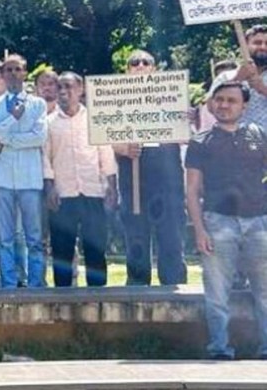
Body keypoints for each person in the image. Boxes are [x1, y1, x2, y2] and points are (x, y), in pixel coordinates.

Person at [185, 81, 267, 360]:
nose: (224, 105)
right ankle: (220, 348)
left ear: (244, 106)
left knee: (265, 292)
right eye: (219, 100)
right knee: (217, 294)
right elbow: (193, 191)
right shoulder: (200, 141)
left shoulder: (260, 135)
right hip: (217, 222)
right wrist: (199, 230)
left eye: (231, 100)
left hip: (259, 222)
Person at [111, 50, 187, 286]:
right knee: (136, 236)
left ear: (154, 69)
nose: (140, 65)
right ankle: (136, 286)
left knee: (171, 236)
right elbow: (105, 134)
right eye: (134, 62)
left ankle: (174, 285)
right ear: (127, 69)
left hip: (167, 177)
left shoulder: (172, 94)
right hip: (132, 177)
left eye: (146, 62)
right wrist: (123, 148)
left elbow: (185, 136)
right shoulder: (114, 99)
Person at [43, 72, 117, 287]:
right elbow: (45, 158)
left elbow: (106, 154)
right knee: (62, 250)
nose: (64, 92)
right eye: (60, 88)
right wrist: (49, 189)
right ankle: (63, 300)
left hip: (93, 191)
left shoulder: (96, 119)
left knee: (95, 248)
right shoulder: (48, 123)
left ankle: (98, 297)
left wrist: (112, 187)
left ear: (81, 90)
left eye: (69, 87)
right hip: (63, 194)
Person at [0, 54, 47, 289]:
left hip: (30, 179)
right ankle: (9, 283)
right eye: (8, 70)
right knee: (6, 238)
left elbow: (39, 138)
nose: (13, 74)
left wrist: (6, 140)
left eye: (17, 69)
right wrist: (12, 120)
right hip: (2, 180)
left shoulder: (38, 104)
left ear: (25, 72)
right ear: (2, 74)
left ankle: (35, 284)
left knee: (34, 238)